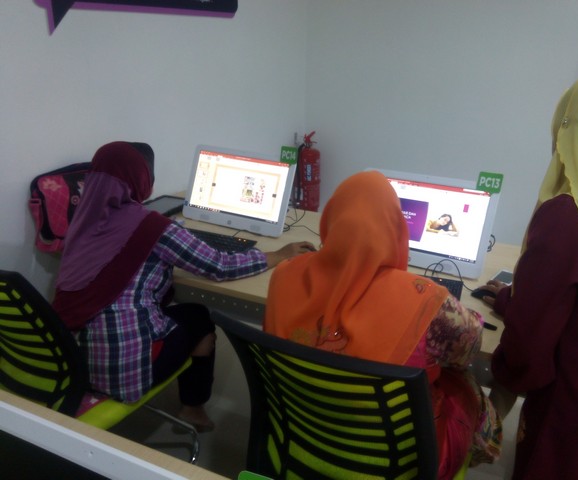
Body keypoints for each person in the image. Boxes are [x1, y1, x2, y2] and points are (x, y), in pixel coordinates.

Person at [52, 141, 314, 430]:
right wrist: (278, 255)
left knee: (182, 313)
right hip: (122, 374)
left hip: (68, 360)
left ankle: (190, 402)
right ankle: (193, 409)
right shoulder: (152, 227)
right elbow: (218, 266)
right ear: (143, 182)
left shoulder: (81, 221)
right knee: (199, 317)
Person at [264, 170, 501, 479]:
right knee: (463, 383)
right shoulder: (427, 301)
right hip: (393, 464)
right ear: (397, 230)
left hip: (298, 442)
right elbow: (470, 346)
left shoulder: (284, 274)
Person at [475, 65, 578, 479]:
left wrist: (490, 409)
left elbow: (528, 353)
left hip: (571, 431)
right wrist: (516, 300)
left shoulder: (572, 216)